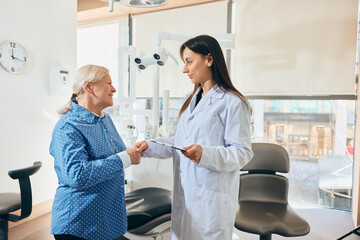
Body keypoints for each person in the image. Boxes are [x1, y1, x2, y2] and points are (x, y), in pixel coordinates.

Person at [135, 35, 254, 240]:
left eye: (189, 61)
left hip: (211, 200)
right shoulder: (192, 100)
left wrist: (204, 154)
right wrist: (150, 145)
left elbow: (242, 153)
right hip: (185, 195)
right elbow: (180, 141)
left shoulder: (232, 102)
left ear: (209, 59)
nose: (184, 69)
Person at [49, 64, 141, 240]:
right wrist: (124, 159)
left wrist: (132, 153)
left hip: (107, 221)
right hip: (78, 224)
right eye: (108, 83)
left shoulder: (105, 119)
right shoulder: (68, 127)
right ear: (88, 87)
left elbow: (116, 155)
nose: (114, 89)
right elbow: (77, 175)